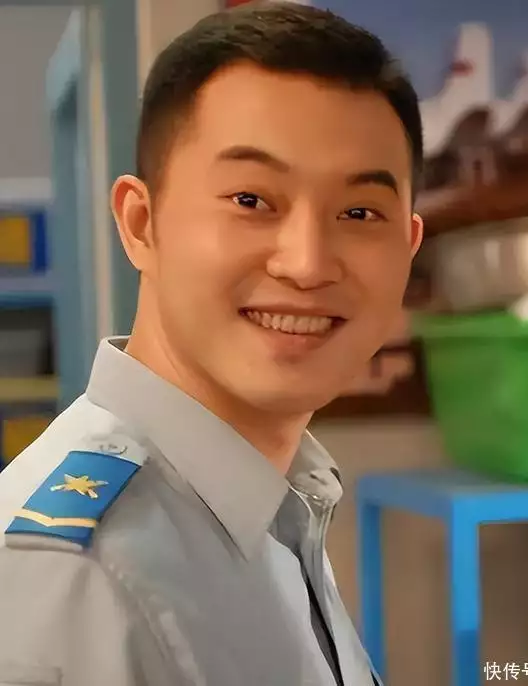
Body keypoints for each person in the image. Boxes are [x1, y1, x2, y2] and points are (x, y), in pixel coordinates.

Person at [0, 3, 423, 685]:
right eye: (251, 201)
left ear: (408, 246)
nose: (307, 263)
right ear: (141, 223)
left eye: (358, 212)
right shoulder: (77, 581)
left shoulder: (276, 501)